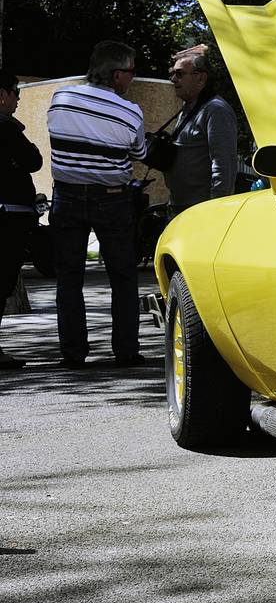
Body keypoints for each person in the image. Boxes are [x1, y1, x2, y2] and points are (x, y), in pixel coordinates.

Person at [46, 41, 148, 367]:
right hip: (112, 199)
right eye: (131, 72)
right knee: (122, 276)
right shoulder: (130, 112)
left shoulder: (60, 98)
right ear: (118, 75)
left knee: (69, 279)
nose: (133, 78)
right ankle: (126, 351)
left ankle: (73, 354)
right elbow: (140, 154)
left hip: (66, 195)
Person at [0, 72, 43, 369]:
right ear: (2, 94)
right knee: (1, 284)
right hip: (7, 217)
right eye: (16, 92)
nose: (18, 98)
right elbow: (33, 160)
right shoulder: (6, 127)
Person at [164, 48, 238, 214]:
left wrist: (216, 209)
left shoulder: (216, 110)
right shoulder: (188, 108)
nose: (173, 79)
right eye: (172, 74)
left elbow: (224, 165)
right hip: (179, 205)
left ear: (201, 78)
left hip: (200, 210)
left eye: (180, 74)